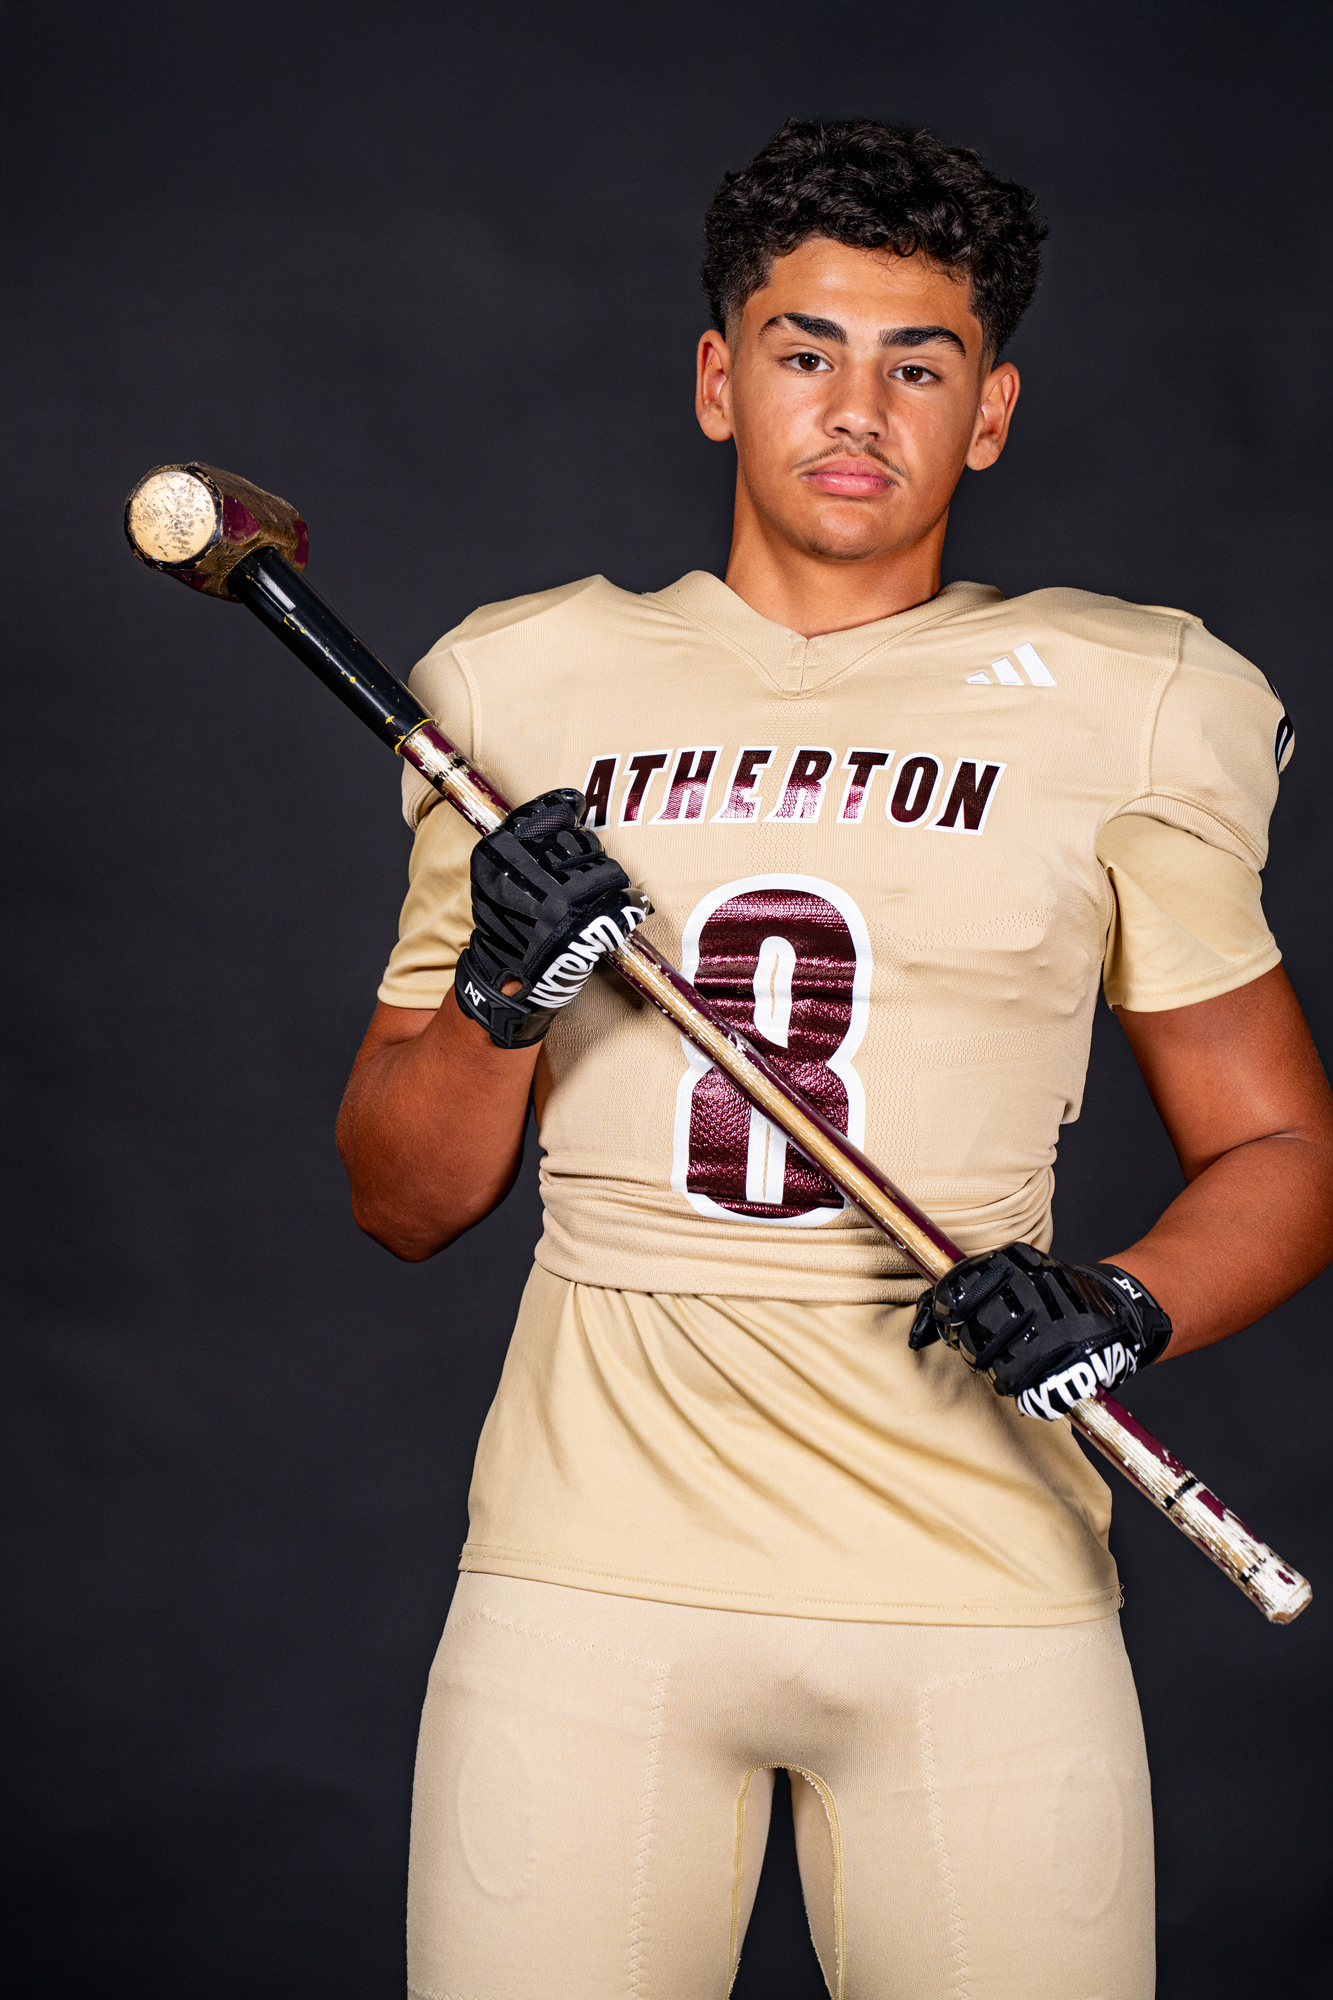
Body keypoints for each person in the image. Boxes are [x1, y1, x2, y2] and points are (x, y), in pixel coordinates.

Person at [335, 120, 1333, 2000]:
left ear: (991, 412)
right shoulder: (518, 685)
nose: (856, 409)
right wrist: (501, 994)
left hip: (978, 1587)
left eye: (917, 365)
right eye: (805, 352)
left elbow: (1280, 1147)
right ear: (719, 381)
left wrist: (1127, 1300)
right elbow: (401, 1198)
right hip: (586, 1582)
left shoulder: (1133, 696)